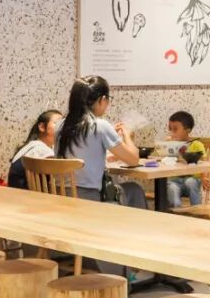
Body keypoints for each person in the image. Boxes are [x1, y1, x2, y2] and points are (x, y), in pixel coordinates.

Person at [54, 75, 146, 207]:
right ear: (102, 100)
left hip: (58, 198)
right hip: (88, 201)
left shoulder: (60, 125)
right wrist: (126, 134)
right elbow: (133, 159)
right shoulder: (100, 126)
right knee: (134, 190)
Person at [7, 110, 63, 189]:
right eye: (57, 123)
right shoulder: (39, 149)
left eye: (62, 124)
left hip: (17, 194)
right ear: (42, 127)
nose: (62, 127)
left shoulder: (31, 145)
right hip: (24, 195)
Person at [166, 111, 205, 209]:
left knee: (190, 182)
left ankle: (198, 210)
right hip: (175, 180)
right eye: (170, 129)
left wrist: (204, 178)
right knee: (171, 186)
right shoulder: (172, 145)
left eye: (175, 129)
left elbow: (204, 164)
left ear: (187, 130)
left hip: (193, 179)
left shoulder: (197, 144)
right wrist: (169, 146)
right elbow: (166, 160)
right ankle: (176, 211)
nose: (172, 132)